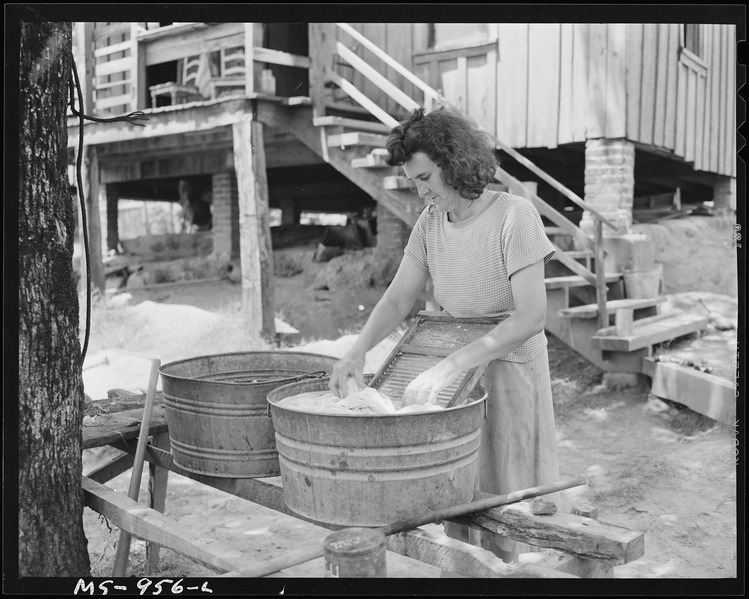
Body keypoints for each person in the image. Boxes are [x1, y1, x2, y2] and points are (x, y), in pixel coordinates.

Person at [328, 106, 560, 562]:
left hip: (510, 374)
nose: (419, 191)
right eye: (413, 180)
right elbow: (398, 299)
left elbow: (530, 317)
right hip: (455, 379)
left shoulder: (516, 217)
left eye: (425, 177)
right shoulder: (431, 224)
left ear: (454, 162)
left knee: (507, 507)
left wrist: (451, 364)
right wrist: (356, 352)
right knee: (456, 496)